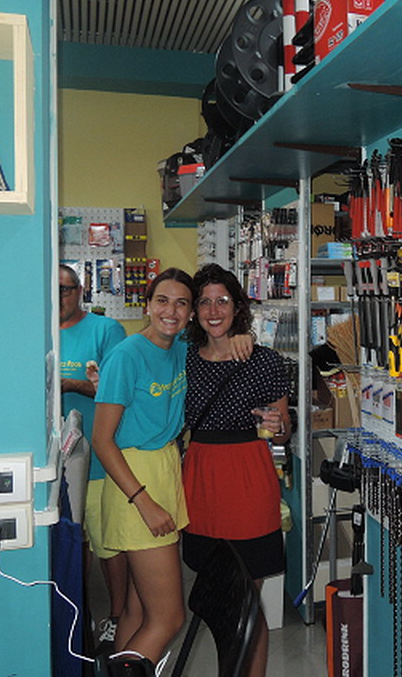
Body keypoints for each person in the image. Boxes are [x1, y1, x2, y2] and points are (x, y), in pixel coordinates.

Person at [92, 268, 252, 671]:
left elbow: (219, 339)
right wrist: (143, 501)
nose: (172, 311)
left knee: (138, 608)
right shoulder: (126, 356)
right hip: (135, 482)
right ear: (147, 305)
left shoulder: (180, 347)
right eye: (162, 301)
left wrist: (243, 336)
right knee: (168, 618)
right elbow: (102, 440)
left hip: (165, 470)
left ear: (191, 312)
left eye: (182, 303)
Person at [181, 263, 290, 677]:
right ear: (194, 310)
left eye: (222, 301)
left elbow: (283, 431)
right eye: (204, 302)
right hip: (201, 486)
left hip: (249, 484)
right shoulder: (183, 360)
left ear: (238, 306)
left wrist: (279, 427)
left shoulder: (263, 361)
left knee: (247, 603)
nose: (214, 311)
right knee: (217, 602)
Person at [58, 264, 126, 647]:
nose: (59, 297)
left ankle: (117, 616)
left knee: (107, 544)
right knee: (71, 542)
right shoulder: (37, 330)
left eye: (66, 289)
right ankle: (77, 614)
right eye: (52, 290)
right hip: (55, 462)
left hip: (97, 460)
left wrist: (72, 385)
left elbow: (117, 388)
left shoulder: (106, 331)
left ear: (80, 291)